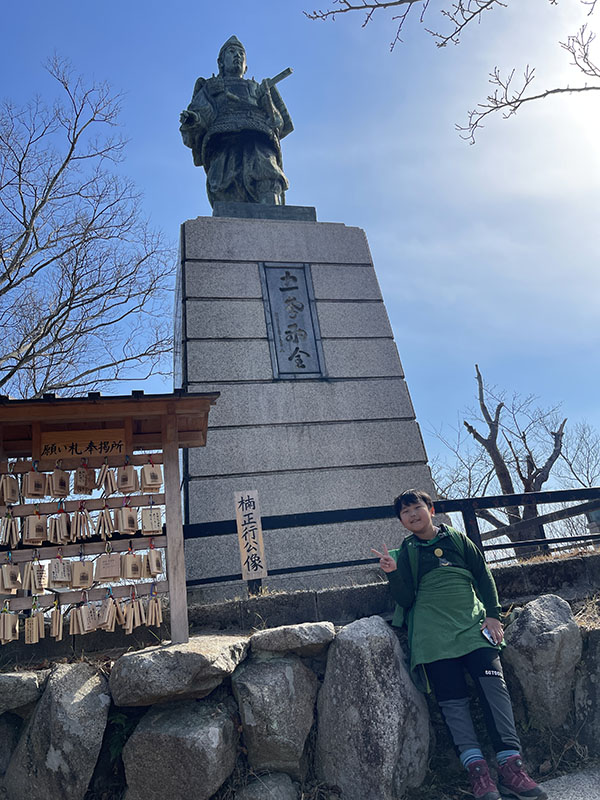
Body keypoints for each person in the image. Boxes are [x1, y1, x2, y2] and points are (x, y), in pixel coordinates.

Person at [372, 489, 547, 800]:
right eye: (405, 512)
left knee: (495, 689)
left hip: (471, 625)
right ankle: (478, 772)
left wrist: (493, 616)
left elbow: (482, 575)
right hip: (431, 635)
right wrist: (393, 574)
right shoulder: (407, 550)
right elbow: (405, 599)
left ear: (431, 509)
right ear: (400, 520)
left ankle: (512, 766)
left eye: (417, 508)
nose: (413, 515)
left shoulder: (457, 539)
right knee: (452, 701)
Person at [179, 35, 293, 207]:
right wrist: (193, 120)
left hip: (258, 136)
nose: (237, 56)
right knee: (225, 183)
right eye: (232, 52)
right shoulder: (211, 87)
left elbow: (278, 122)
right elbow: (202, 114)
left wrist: (268, 101)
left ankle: (273, 214)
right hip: (224, 140)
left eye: (241, 53)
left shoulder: (258, 88)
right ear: (221, 62)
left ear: (246, 65)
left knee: (267, 173)